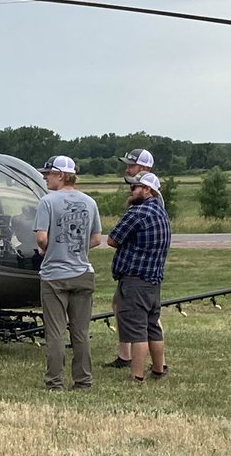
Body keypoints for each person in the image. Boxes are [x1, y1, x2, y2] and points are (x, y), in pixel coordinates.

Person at [33, 155, 102, 391]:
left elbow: (41, 238)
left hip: (55, 274)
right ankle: (83, 381)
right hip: (83, 272)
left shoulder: (47, 201)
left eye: (48, 174)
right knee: (80, 332)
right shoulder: (90, 202)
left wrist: (47, 249)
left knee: (55, 332)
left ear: (60, 175)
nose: (45, 178)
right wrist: (78, 248)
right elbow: (96, 239)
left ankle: (55, 382)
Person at [106, 171, 171, 382]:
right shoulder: (162, 213)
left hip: (134, 280)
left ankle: (137, 376)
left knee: (136, 331)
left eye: (135, 187)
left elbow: (112, 240)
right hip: (153, 280)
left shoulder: (137, 212)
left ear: (147, 190)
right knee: (153, 327)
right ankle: (159, 369)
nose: (131, 190)